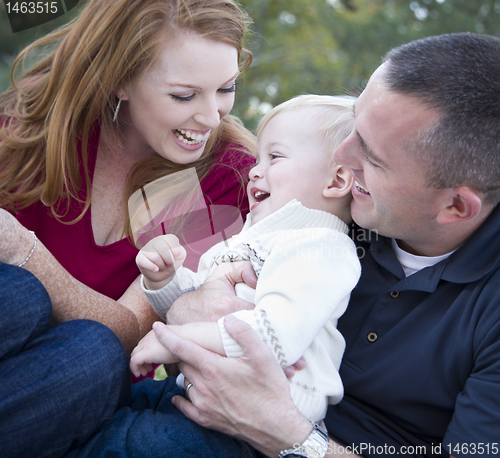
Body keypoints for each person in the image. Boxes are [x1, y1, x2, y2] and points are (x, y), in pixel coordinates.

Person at [75, 32, 500, 457]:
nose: (343, 156)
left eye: (371, 156)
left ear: (456, 206)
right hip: (191, 399)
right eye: (356, 124)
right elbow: (201, 299)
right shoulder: (324, 209)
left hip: (256, 439)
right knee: (78, 363)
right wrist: (193, 298)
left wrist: (285, 434)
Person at [0, 0, 256, 456]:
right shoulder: (37, 132)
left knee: (95, 353)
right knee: (17, 297)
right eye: (184, 95)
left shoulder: (221, 175)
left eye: (226, 88)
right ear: (119, 79)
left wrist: (23, 250)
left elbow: (134, 333)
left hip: (65, 391)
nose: (211, 118)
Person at [130, 95, 361, 424]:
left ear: (336, 181)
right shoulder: (248, 239)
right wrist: (164, 279)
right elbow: (188, 307)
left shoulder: (323, 248)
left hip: (264, 410)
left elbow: (275, 336)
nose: (254, 171)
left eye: (275, 157)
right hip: (202, 393)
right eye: (258, 158)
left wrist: (176, 342)